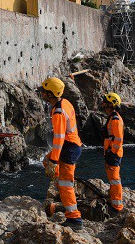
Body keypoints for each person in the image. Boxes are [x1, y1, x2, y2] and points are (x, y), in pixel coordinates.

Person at [39, 77, 83, 231]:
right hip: (71, 145)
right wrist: (50, 160)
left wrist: (54, 160)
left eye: (44, 92)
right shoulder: (65, 103)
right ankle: (61, 193)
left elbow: (59, 139)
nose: (42, 94)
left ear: (51, 93)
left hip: (68, 148)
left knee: (66, 184)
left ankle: (74, 218)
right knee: (46, 161)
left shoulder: (58, 112)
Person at [100, 91, 124, 212]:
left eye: (106, 103)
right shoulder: (112, 117)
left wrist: (112, 151)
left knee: (115, 179)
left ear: (111, 105)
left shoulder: (115, 119)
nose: (103, 105)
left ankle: (117, 206)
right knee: (112, 179)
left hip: (113, 153)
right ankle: (113, 197)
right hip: (111, 152)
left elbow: (119, 139)